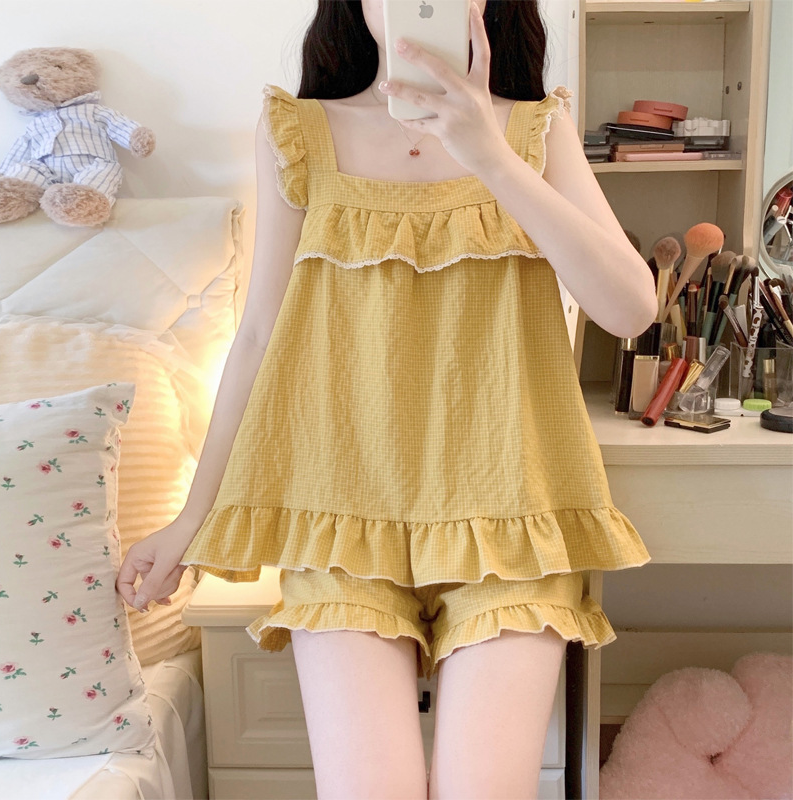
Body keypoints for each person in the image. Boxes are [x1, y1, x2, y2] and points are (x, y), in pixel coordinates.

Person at [117, 1, 657, 797]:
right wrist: (192, 519)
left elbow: (632, 309)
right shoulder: (298, 132)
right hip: (342, 518)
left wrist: (489, 155)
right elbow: (260, 333)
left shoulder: (535, 129)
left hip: (511, 514)